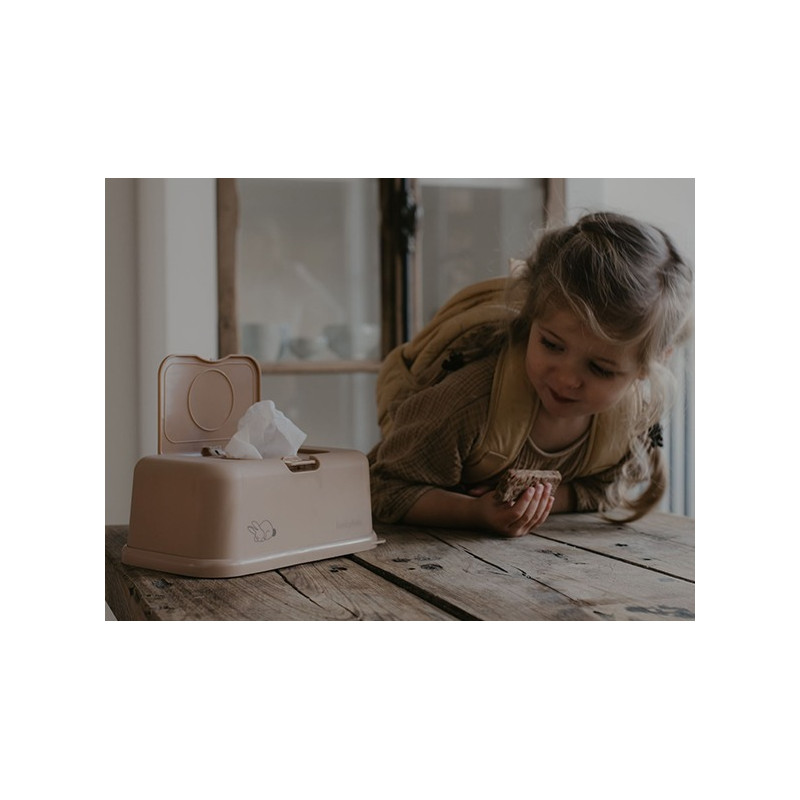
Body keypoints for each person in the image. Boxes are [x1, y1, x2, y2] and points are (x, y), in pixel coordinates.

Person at [368, 211, 694, 537]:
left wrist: (537, 501)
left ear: (649, 365)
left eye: (600, 369)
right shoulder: (471, 401)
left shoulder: (628, 422)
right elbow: (382, 487)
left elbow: (603, 489)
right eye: (551, 344)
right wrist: (474, 512)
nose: (566, 379)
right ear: (530, 317)